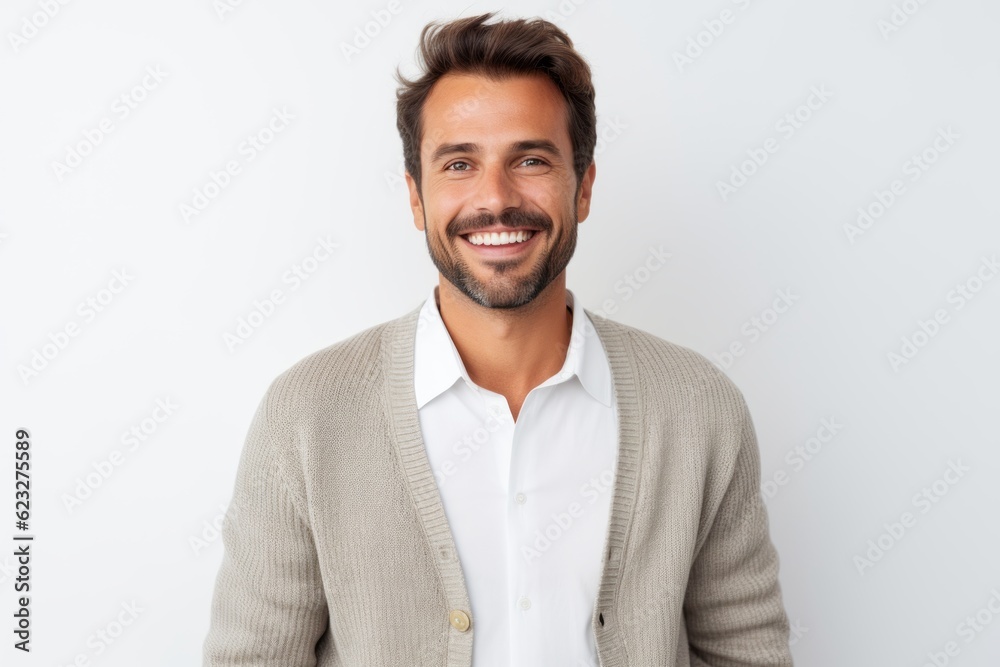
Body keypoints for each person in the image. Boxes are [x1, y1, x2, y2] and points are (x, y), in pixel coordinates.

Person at [203, 11, 794, 667]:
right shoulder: (308, 414)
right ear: (416, 199)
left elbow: (746, 651)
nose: (496, 198)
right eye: (459, 163)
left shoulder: (697, 406)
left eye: (531, 159)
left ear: (584, 187)